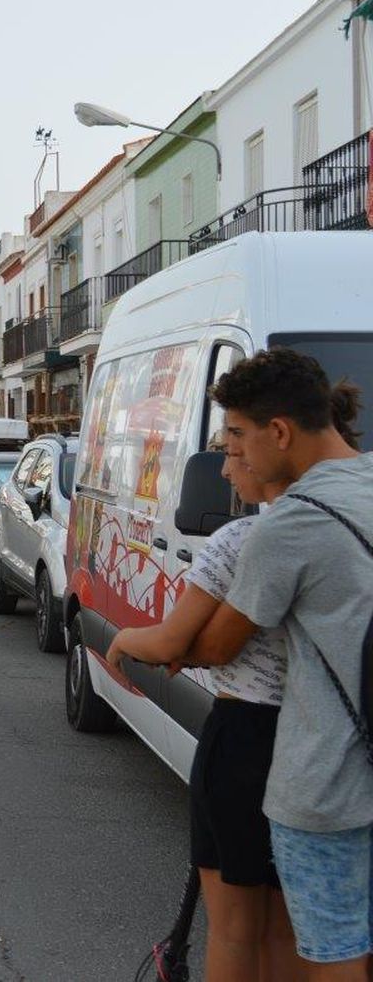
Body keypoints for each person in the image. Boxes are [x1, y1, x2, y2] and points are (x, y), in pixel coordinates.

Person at [175, 349, 371, 977]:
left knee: (329, 955)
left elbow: (212, 645)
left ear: (279, 431)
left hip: (325, 782)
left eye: (237, 435)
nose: (234, 456)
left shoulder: (289, 523)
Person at [107, 447, 303, 981]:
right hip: (310, 737)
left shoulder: (244, 540)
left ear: (274, 441)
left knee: (235, 929)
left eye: (234, 447)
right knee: (289, 930)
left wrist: (124, 639)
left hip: (244, 739)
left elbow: (182, 640)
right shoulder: (334, 530)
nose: (223, 468)